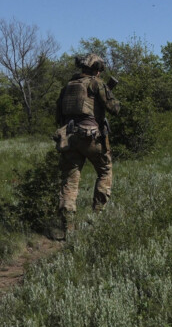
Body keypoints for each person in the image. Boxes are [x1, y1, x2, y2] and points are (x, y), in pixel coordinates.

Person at [51, 53, 121, 240]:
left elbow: (59, 116)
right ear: (97, 70)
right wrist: (110, 94)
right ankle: (96, 219)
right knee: (105, 171)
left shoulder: (67, 87)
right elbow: (115, 108)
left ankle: (68, 228)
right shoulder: (96, 83)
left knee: (70, 181)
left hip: (69, 138)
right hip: (92, 138)